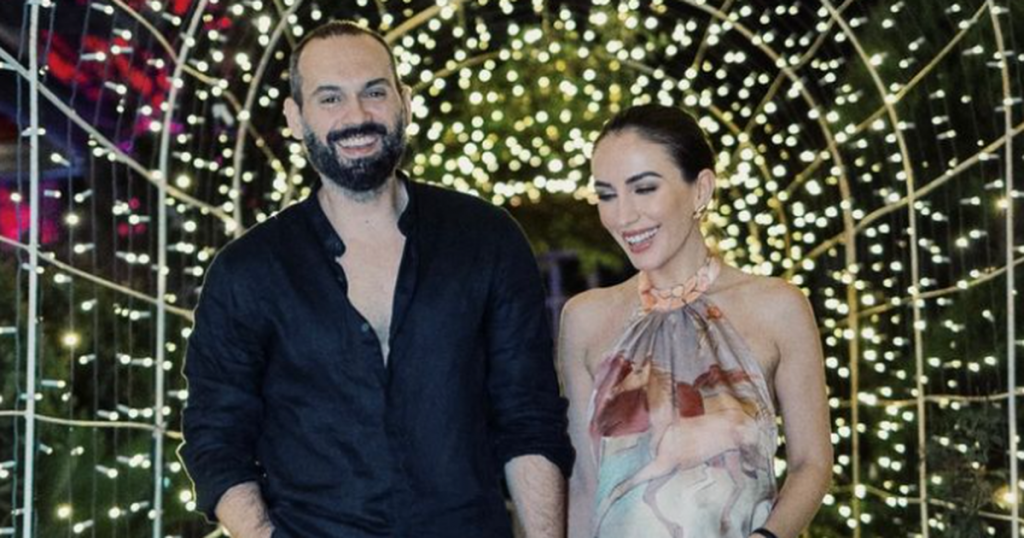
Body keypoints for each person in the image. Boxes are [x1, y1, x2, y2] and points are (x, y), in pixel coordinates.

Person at [179, 20, 573, 538]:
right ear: (296, 118)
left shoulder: (486, 239)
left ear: (404, 102)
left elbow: (529, 418)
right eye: (330, 98)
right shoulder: (246, 271)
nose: (357, 116)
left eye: (374, 92)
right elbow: (216, 437)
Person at [559, 104, 832, 538]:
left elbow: (811, 465)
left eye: (644, 188)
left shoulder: (777, 306)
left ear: (701, 189)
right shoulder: (584, 318)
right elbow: (584, 484)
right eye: (607, 195)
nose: (622, 216)